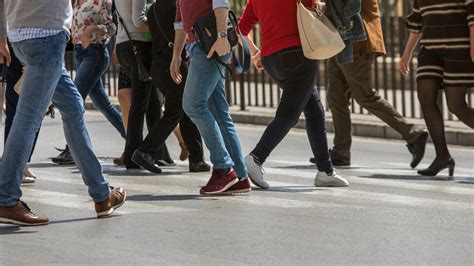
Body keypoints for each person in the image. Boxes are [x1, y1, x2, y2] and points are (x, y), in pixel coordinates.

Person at [0, 0, 126, 226]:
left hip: (20, 34)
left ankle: (101, 195)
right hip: (46, 34)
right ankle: (6, 198)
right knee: (28, 117)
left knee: (73, 107)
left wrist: (2, 35)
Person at [238, 0, 349, 189]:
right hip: (297, 54)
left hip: (271, 59)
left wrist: (256, 51)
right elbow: (313, 5)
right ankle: (255, 159)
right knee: (288, 115)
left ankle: (325, 171)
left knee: (314, 110)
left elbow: (241, 28)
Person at [312, 0, 428, 168]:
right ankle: (341, 152)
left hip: (356, 40)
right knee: (336, 97)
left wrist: (327, 8)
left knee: (365, 95)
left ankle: (413, 133)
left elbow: (352, 6)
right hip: (339, 40)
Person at [171, 0, 251, 194]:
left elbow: (221, 3)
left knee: (193, 105)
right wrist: (176, 55)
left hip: (211, 43)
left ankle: (224, 169)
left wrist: (222, 36)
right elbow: (181, 22)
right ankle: (240, 176)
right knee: (218, 112)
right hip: (198, 45)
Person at [131, 0, 211, 174]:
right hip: (175, 64)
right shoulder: (177, 6)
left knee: (185, 111)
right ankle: (145, 151)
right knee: (174, 112)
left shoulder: (153, 9)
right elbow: (184, 29)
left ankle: (197, 159)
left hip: (158, 64)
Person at [400, 0, 474, 177]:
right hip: (430, 51)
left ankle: (443, 157)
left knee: (455, 105)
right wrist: (406, 54)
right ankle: (442, 156)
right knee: (425, 96)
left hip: (459, 49)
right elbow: (417, 24)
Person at [53, 0, 125, 165]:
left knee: (73, 99)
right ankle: (134, 141)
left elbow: (112, 27)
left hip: (95, 54)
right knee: (104, 105)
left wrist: (92, 29)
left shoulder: (101, 2)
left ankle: (72, 150)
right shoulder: (75, 2)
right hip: (80, 54)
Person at [4, 43, 40, 183]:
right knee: (32, 112)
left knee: (17, 111)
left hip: (16, 48)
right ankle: (16, 165)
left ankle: (15, 164)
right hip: (28, 51)